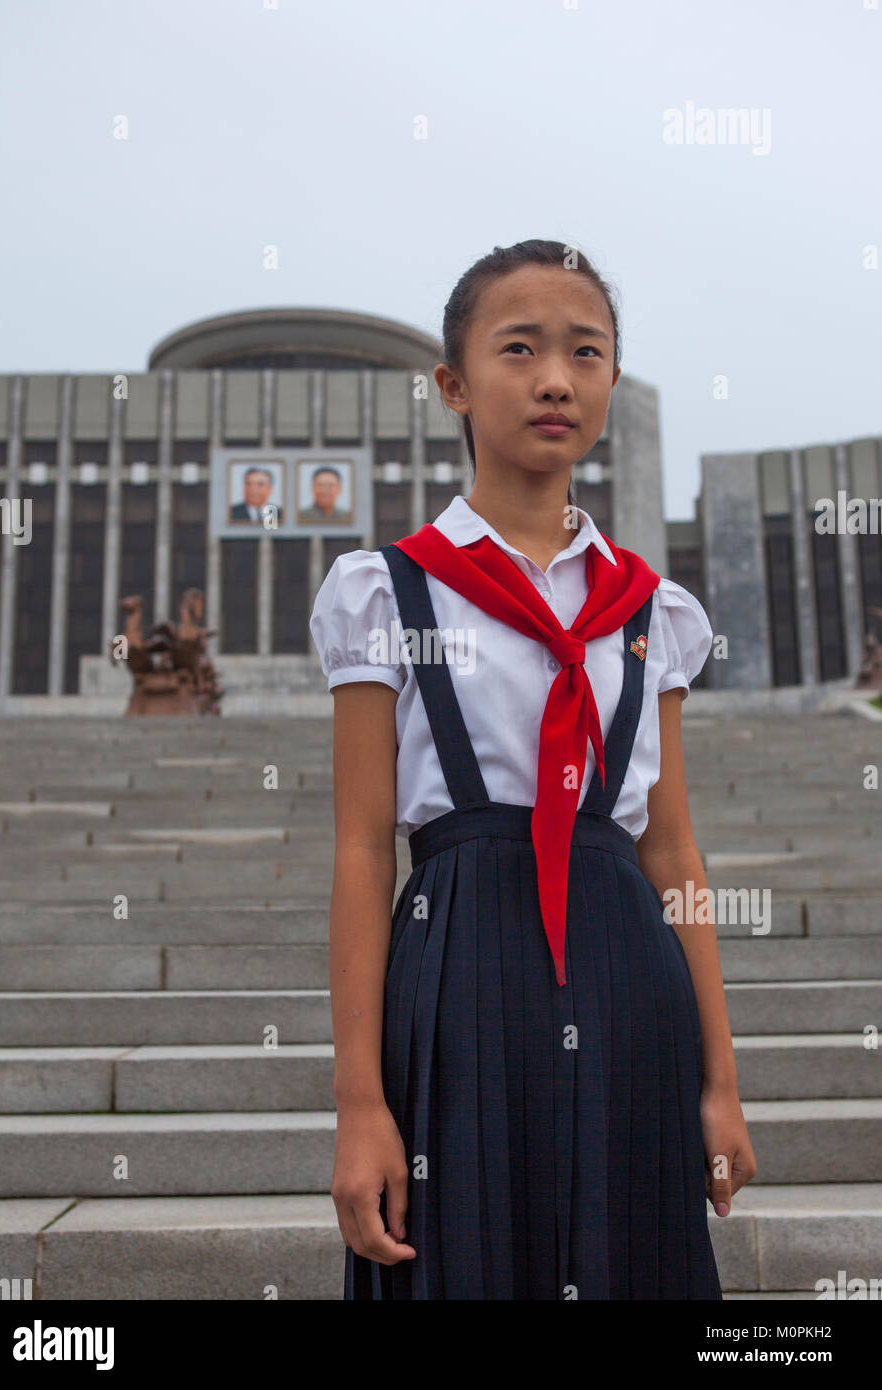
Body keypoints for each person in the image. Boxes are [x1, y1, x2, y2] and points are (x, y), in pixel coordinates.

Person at [309, 238, 756, 1300]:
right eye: (520, 349)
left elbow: (672, 845)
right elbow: (366, 849)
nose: (556, 378)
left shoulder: (655, 613)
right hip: (456, 954)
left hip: (624, 971)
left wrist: (721, 1080)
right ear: (454, 384)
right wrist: (361, 1106)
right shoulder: (388, 592)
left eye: (586, 352)